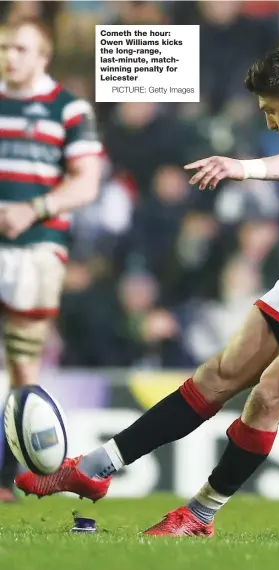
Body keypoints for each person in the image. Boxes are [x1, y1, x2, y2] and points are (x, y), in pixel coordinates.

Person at [16, 44, 279, 535]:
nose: (270, 123)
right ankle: (93, 470)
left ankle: (200, 514)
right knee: (219, 374)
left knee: (268, 395)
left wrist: (245, 167)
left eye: (271, 111)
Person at [0, 18, 102, 501]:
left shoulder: (68, 107)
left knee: (23, 364)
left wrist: (32, 209)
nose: (9, 56)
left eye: (20, 48)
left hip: (37, 249)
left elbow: (86, 182)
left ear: (43, 55)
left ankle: (8, 479)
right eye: (4, 48)